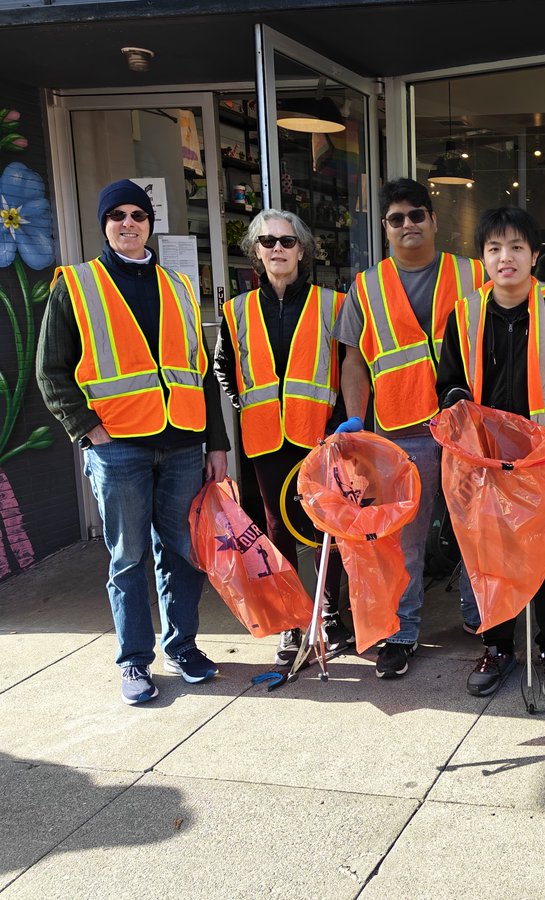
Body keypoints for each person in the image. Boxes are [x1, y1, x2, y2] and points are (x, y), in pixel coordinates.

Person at [36, 179, 229, 705]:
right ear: (103, 224)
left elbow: (202, 375)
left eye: (137, 215)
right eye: (116, 215)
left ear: (149, 222)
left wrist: (216, 444)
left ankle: (183, 647)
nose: (127, 223)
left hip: (184, 444)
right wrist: (86, 429)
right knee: (127, 557)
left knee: (183, 553)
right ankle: (134, 662)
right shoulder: (74, 285)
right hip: (117, 445)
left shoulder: (179, 287)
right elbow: (51, 372)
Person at [332, 178, 485, 679]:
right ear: (384, 227)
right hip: (401, 431)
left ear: (434, 220)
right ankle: (401, 632)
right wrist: (356, 416)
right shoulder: (366, 286)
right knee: (406, 541)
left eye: (416, 215)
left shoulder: (472, 274)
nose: (408, 225)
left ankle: (480, 617)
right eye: (396, 218)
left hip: (463, 426)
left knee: (472, 528)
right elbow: (354, 359)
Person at [436, 206, 545, 699]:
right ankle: (498, 646)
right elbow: (450, 385)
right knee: (489, 557)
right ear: (482, 258)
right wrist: (458, 413)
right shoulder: (463, 315)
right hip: (483, 466)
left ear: (534, 256)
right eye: (495, 248)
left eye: (517, 248)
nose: (507, 258)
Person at [214, 209, 349, 666]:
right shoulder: (236, 309)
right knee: (276, 529)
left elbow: (351, 367)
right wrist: (244, 404)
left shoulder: (333, 303)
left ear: (302, 250)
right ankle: (293, 620)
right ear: (255, 251)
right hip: (265, 436)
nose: (277, 248)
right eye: (267, 241)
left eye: (287, 242)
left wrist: (342, 423)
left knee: (325, 527)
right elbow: (224, 366)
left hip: (320, 435)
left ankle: (331, 614)